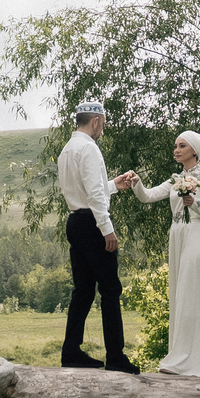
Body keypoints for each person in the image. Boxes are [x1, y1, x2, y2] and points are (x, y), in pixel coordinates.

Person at [121, 130, 200, 378]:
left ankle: (195, 358)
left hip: (196, 235)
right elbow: (149, 196)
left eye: (182, 146)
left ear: (194, 151)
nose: (176, 150)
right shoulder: (177, 178)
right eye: (175, 146)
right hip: (177, 236)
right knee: (180, 293)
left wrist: (194, 203)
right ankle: (182, 355)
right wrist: (137, 182)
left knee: (190, 292)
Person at [56, 99, 139, 372]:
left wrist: (114, 185)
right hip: (92, 224)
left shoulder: (67, 150)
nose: (103, 129)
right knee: (110, 289)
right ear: (95, 121)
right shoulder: (89, 149)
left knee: (83, 290)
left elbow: (88, 190)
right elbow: (93, 195)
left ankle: (71, 351)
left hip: (75, 222)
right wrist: (108, 229)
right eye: (102, 124)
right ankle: (116, 356)